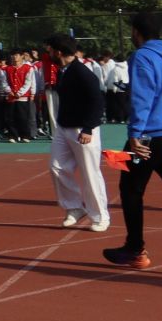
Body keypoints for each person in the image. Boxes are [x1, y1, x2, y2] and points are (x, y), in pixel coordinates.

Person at [108, 14, 162, 269]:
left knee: (130, 188)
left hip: (148, 137)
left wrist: (135, 133)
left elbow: (143, 97)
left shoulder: (142, 57)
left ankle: (135, 249)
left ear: (136, 32)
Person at [41, 32, 110, 233]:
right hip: (64, 128)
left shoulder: (82, 73)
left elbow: (97, 102)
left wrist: (88, 128)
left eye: (50, 51)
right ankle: (75, 207)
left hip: (83, 129)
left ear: (58, 52)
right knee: (56, 167)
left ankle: (100, 216)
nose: (48, 54)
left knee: (90, 173)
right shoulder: (63, 71)